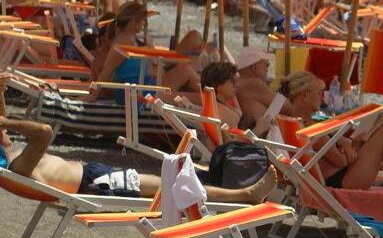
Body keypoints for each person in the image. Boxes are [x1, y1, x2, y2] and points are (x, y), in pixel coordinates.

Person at [0, 82, 276, 203]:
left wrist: (1, 93)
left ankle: (242, 193)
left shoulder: (13, 158)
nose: (6, 136)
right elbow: (45, 131)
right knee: (174, 186)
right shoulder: (20, 168)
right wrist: (7, 123)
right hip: (96, 184)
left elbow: (8, 135)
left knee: (174, 181)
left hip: (96, 175)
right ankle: (245, 195)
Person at [278, 71, 383, 194]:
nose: (322, 97)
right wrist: (351, 150)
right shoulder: (308, 129)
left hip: (333, 178)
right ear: (305, 95)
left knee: (381, 137)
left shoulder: (294, 123)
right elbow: (341, 161)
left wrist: (345, 144)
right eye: (318, 93)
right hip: (341, 182)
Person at [90, 3, 202, 100]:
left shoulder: (127, 38)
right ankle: (214, 99)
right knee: (189, 79)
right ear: (134, 21)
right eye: (143, 20)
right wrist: (93, 96)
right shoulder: (126, 40)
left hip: (141, 88)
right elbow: (108, 68)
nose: (144, 24)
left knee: (184, 69)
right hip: (138, 93)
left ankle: (212, 96)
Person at [199, 61, 272, 136]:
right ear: (217, 86)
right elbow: (236, 145)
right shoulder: (225, 114)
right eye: (232, 82)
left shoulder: (212, 106)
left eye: (237, 81)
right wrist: (259, 129)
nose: (237, 85)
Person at [234, 46, 289, 127]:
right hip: (261, 136)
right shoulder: (254, 84)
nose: (267, 68)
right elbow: (287, 108)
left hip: (249, 131)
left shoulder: (237, 82)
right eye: (266, 64)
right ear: (255, 67)